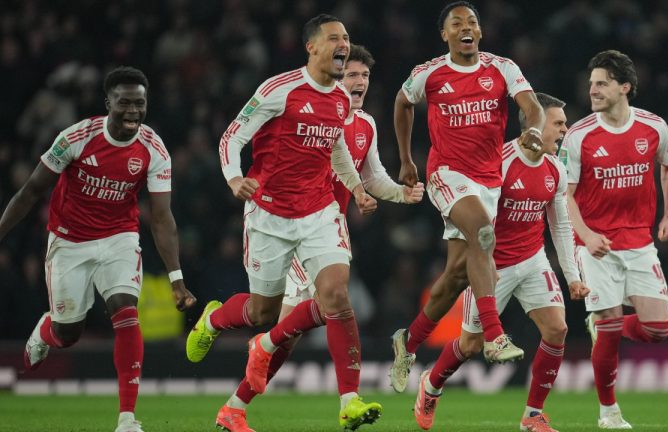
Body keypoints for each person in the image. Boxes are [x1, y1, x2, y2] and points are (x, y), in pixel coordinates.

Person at [212, 43, 424, 432]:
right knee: (276, 319)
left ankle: (337, 399)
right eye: (350, 76)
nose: (358, 83)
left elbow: (372, 176)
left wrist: (399, 193)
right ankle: (224, 337)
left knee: (332, 302)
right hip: (288, 221)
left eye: (363, 76)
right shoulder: (305, 109)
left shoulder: (366, 125)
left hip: (325, 226)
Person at [184, 15, 383, 430]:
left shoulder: (342, 100)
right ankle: (216, 319)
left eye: (346, 38)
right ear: (311, 46)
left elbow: (337, 151)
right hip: (269, 216)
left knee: (336, 296)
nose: (343, 44)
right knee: (261, 313)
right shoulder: (279, 90)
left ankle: (349, 400)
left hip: (318, 212)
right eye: (334, 38)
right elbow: (231, 137)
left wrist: (357, 188)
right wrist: (235, 177)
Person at [0, 66, 197, 432]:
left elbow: (161, 217)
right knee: (68, 333)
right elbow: (30, 192)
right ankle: (47, 331)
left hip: (118, 238)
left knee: (125, 309)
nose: (133, 111)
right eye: (124, 103)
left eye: (140, 103)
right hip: (69, 240)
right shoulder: (76, 137)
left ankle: (126, 418)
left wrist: (176, 276)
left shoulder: (154, 149)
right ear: (108, 102)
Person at [390, 0, 546, 392]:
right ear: (444, 35)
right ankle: (494, 335)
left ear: (480, 31)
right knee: (481, 232)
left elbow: (532, 107)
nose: (466, 26)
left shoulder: (502, 68)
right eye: (456, 22)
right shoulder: (429, 73)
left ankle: (406, 343)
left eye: (472, 21)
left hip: (487, 182)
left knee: (456, 275)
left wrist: (534, 130)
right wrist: (407, 159)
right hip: (446, 174)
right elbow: (402, 103)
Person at [411, 93, 590, 432]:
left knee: (558, 329)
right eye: (558, 123)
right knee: (470, 344)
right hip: (492, 268)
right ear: (534, 126)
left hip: (533, 259)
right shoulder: (498, 163)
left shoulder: (555, 168)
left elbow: (561, 225)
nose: (565, 130)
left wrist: (572, 276)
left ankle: (533, 415)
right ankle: (431, 385)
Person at [560, 50, 668, 429]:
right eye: (591, 83)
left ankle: (602, 327)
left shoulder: (653, 127)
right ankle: (609, 412)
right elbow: (565, 195)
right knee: (610, 323)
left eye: (601, 83)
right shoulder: (579, 136)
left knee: (658, 330)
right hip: (596, 248)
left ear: (624, 87)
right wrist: (586, 235)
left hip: (640, 243)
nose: (591, 90)